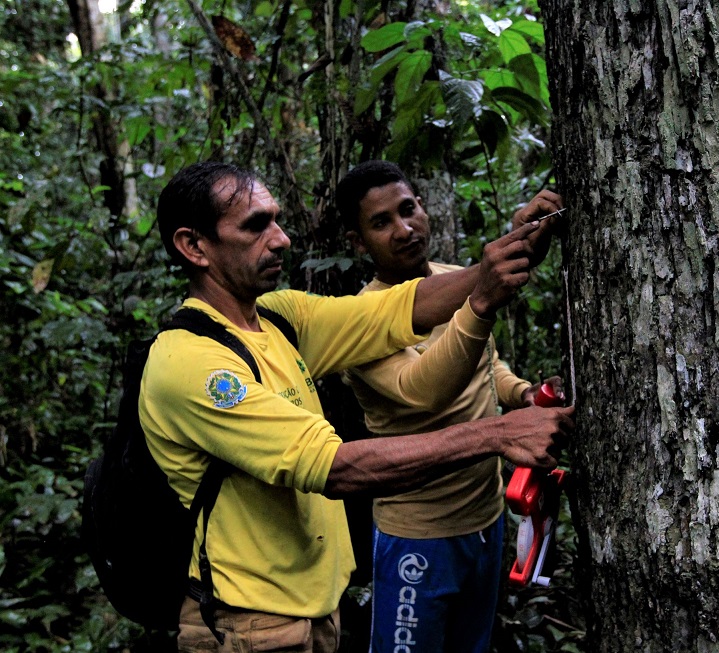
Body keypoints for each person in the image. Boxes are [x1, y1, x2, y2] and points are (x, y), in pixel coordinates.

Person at [140, 161, 574, 653]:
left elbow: (398, 308)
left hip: (316, 607)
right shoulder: (191, 362)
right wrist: (499, 435)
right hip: (245, 622)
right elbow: (336, 467)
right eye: (256, 225)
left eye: (276, 219)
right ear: (194, 246)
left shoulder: (280, 318)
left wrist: (506, 259)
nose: (281, 239)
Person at [337, 160, 564, 653]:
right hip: (418, 538)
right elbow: (420, 390)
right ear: (357, 241)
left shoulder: (448, 278)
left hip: (485, 521)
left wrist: (524, 394)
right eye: (381, 222)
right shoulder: (356, 320)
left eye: (408, 209)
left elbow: (488, 365)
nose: (404, 229)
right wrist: (480, 302)